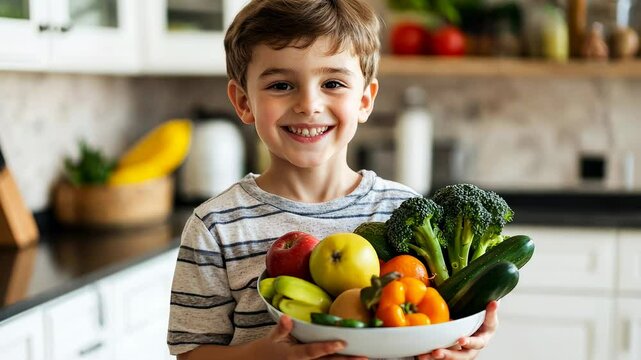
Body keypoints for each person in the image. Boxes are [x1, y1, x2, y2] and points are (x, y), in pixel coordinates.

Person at [167, 1, 499, 359]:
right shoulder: (215, 226)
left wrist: (463, 343)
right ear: (244, 102)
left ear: (364, 100)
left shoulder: (402, 211)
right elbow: (190, 352)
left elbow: (437, 322)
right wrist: (264, 356)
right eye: (280, 85)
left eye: (333, 83)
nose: (309, 104)